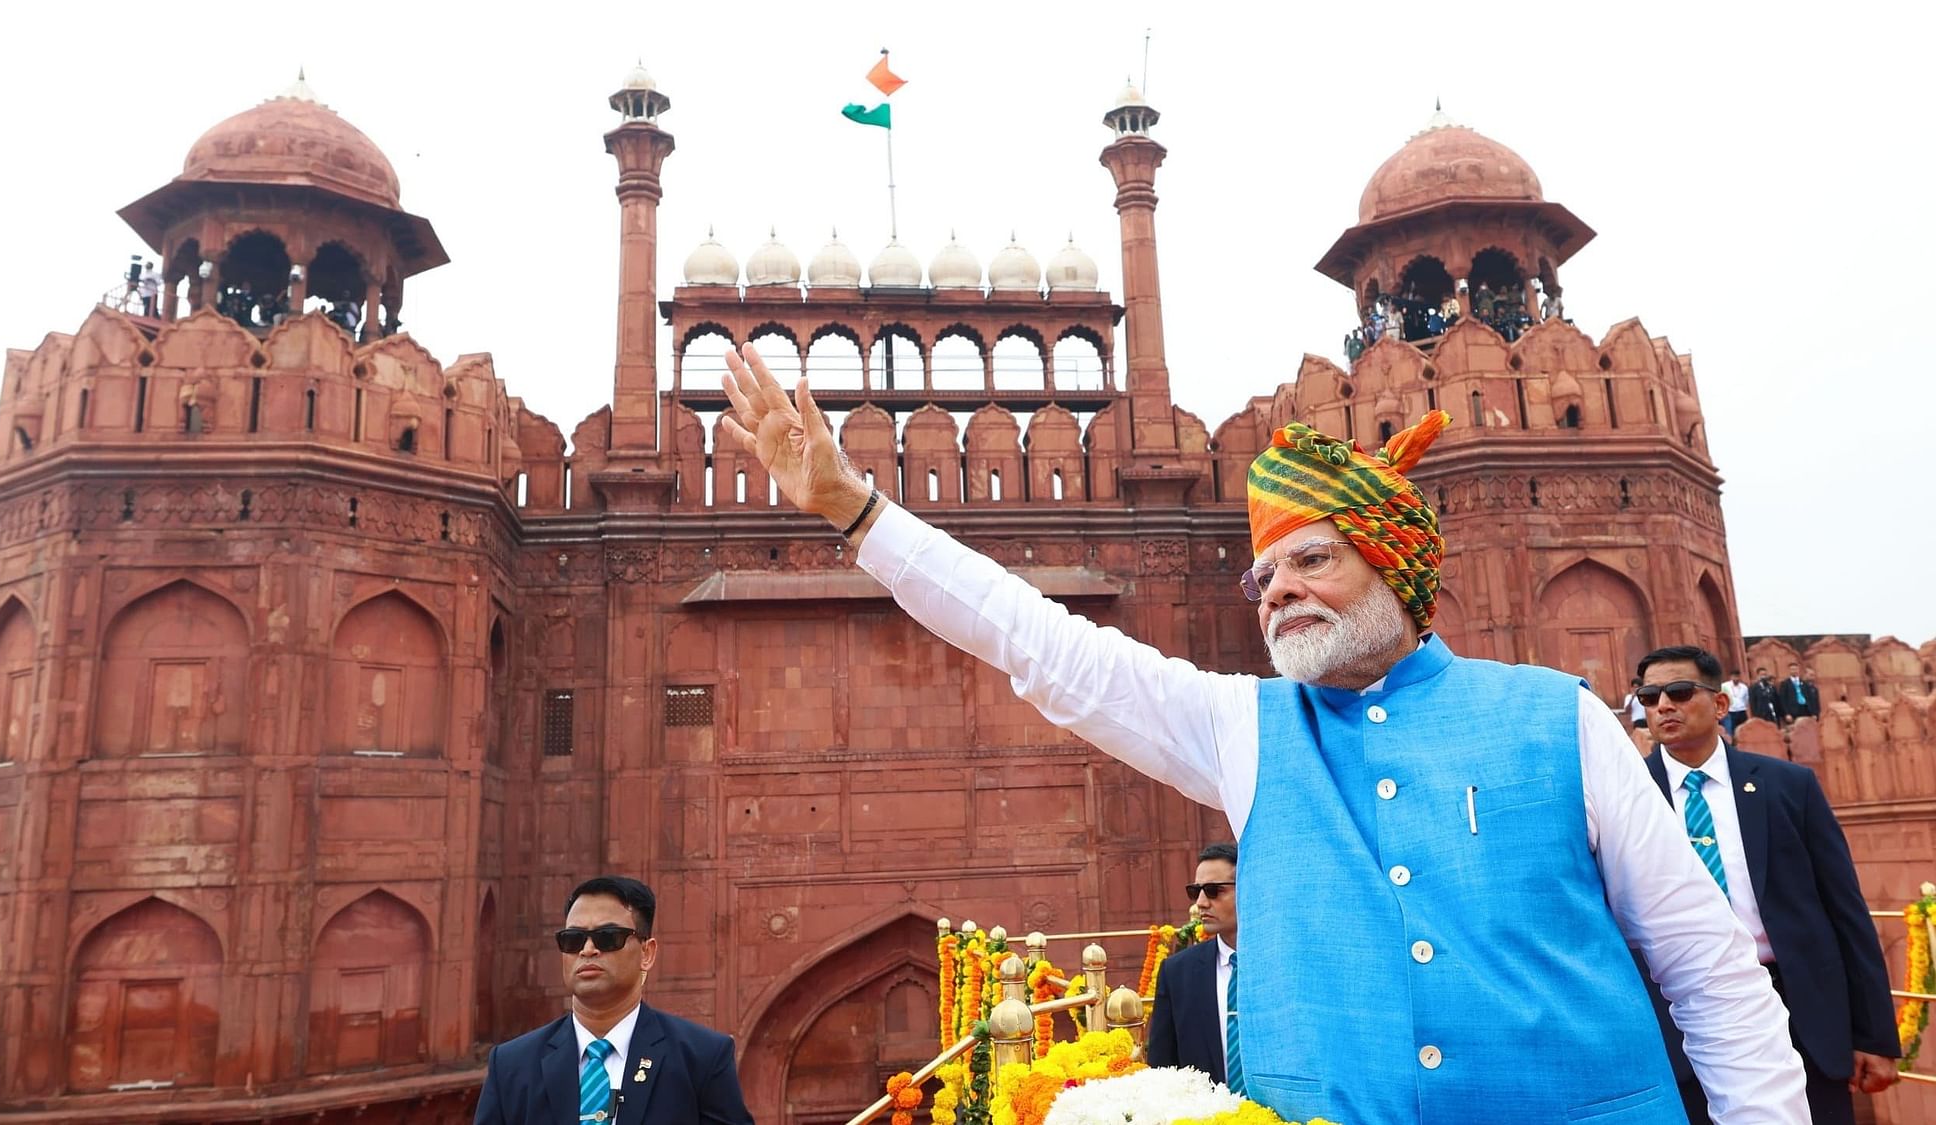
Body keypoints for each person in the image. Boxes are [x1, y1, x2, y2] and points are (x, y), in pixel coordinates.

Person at [717, 342, 1804, 1123]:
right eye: (1262, 572)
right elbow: (1042, 645)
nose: (1275, 589)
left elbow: (1708, 972)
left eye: (1310, 559)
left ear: (1394, 564)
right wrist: (854, 510)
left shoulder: (1551, 719)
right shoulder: (1246, 729)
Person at [1634, 645, 1899, 1125]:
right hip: (1675, 1010)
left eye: (1678, 692)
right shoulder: (1626, 798)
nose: (1663, 706)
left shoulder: (1788, 786)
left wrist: (1873, 1036)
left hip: (1793, 1006)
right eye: (1650, 697)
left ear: (1720, 705)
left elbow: (1846, 914)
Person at [474, 876, 754, 1125]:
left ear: (647, 952)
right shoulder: (512, 1065)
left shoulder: (700, 1058)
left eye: (608, 938)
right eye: (573, 939)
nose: (588, 949)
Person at [1147, 843, 1242, 1090]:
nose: (1200, 903)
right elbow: (1162, 1069)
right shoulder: (1178, 973)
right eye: (1195, 891)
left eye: (1213, 890)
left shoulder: (1286, 968)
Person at [1719, 670, 1750, 738]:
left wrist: (1743, 706)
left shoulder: (1744, 687)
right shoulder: (1724, 686)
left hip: (1741, 711)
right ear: (1731, 677)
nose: (1736, 678)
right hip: (1730, 711)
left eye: (1737, 676)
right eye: (1734, 676)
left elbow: (1746, 699)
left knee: (1744, 730)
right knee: (1730, 731)